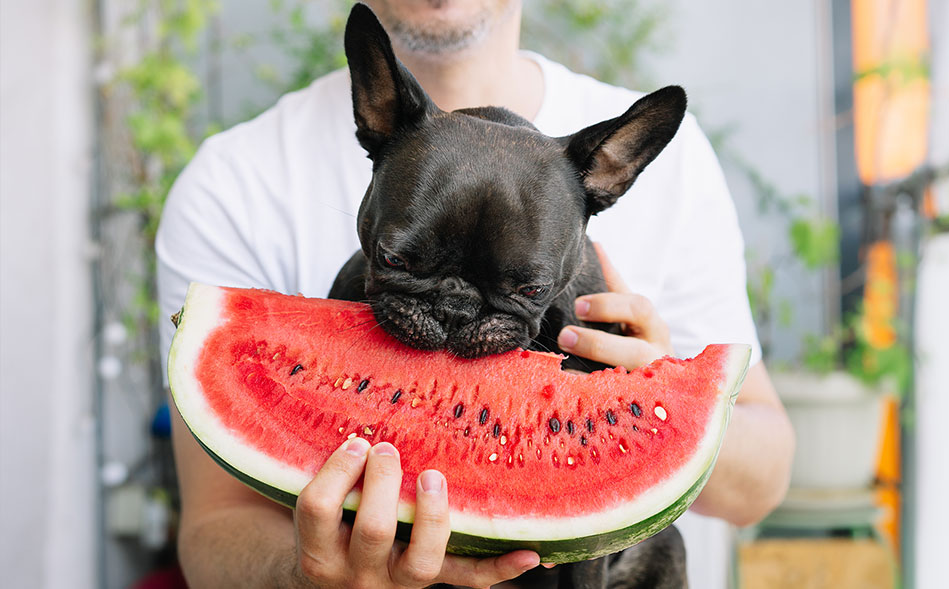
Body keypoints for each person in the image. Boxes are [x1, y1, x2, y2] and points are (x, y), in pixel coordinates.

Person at [156, 1, 795, 587]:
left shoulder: (681, 178)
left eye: (525, 288)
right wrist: (306, 575)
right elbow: (214, 526)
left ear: (609, 180)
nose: (454, 314)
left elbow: (761, 486)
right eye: (402, 261)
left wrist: (661, 400)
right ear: (372, 117)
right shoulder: (231, 181)